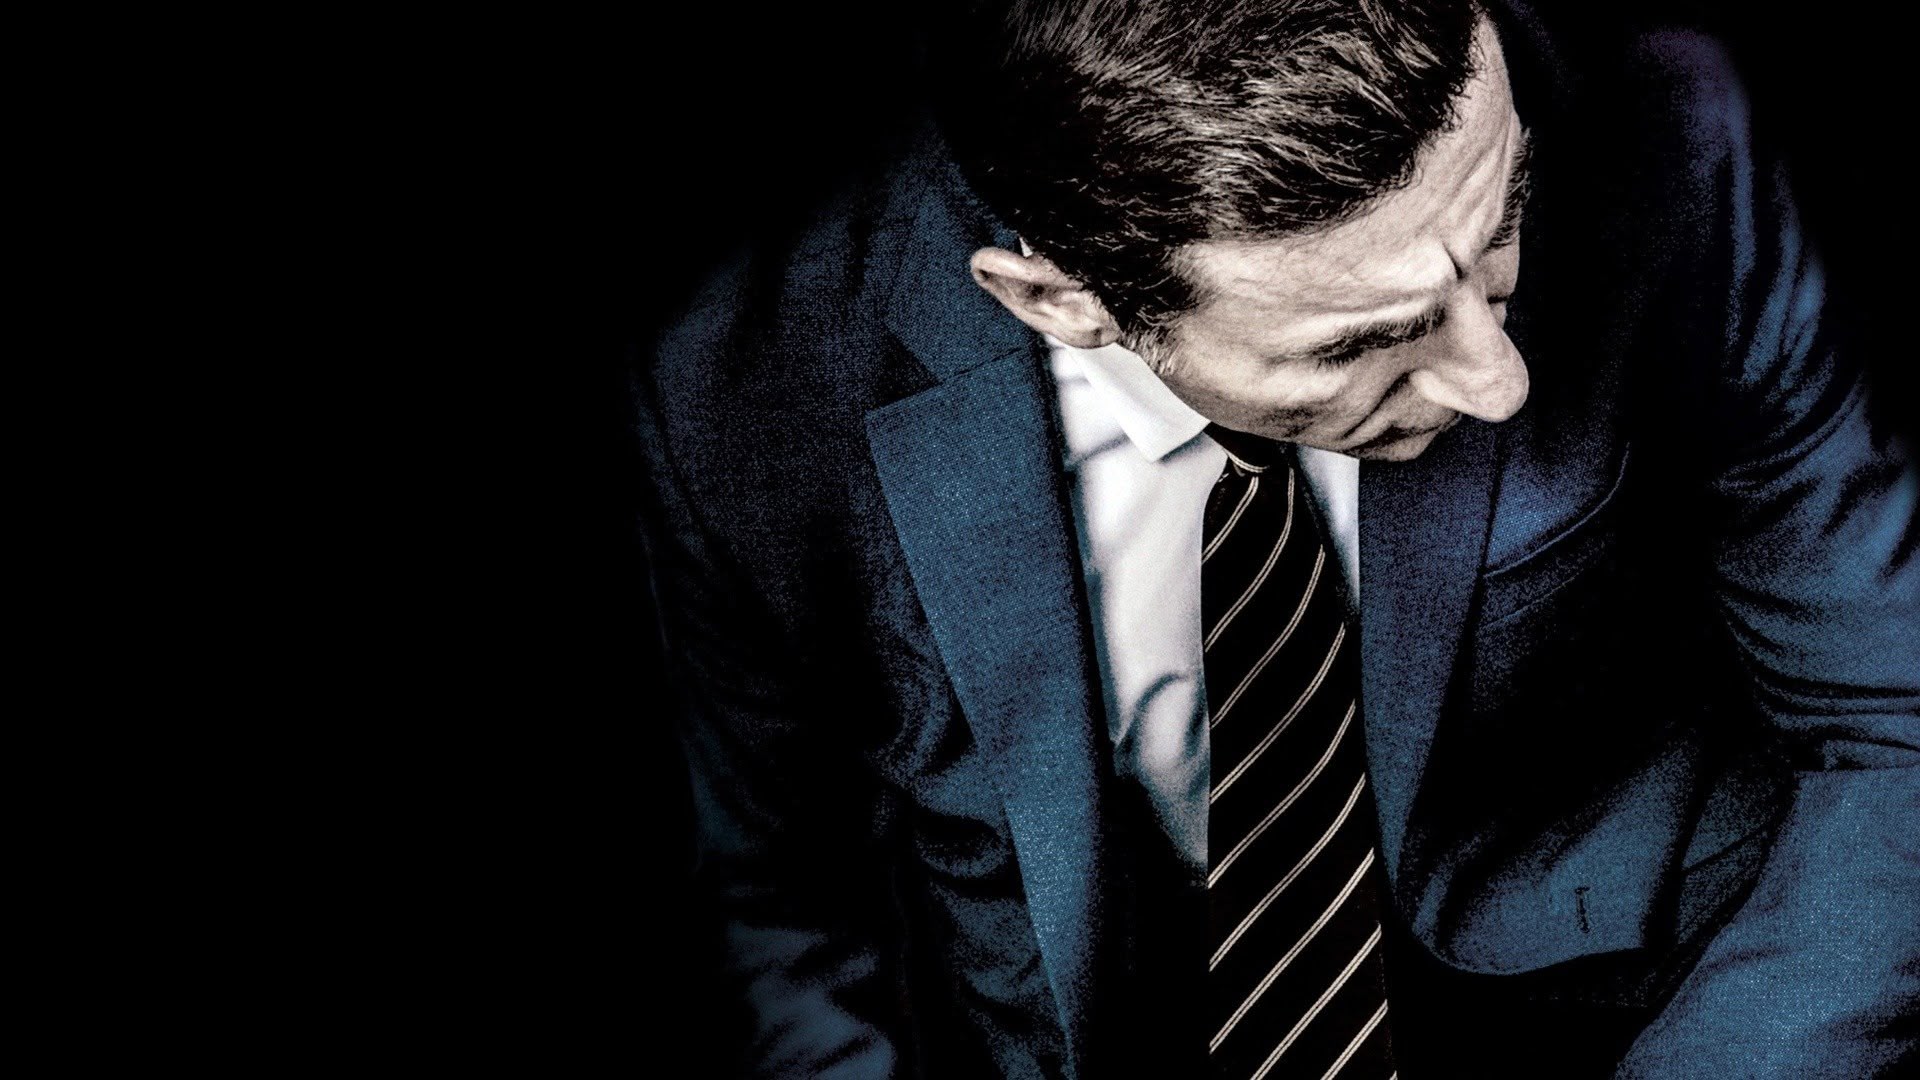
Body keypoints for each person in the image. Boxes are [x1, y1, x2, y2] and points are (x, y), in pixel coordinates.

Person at [632, 0, 1919, 1075]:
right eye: (1369, 341)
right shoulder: (748, 390)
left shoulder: (1670, 127)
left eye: (1502, 219)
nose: (1498, 382)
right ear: (1059, 300)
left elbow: (1895, 723)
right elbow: (774, 914)